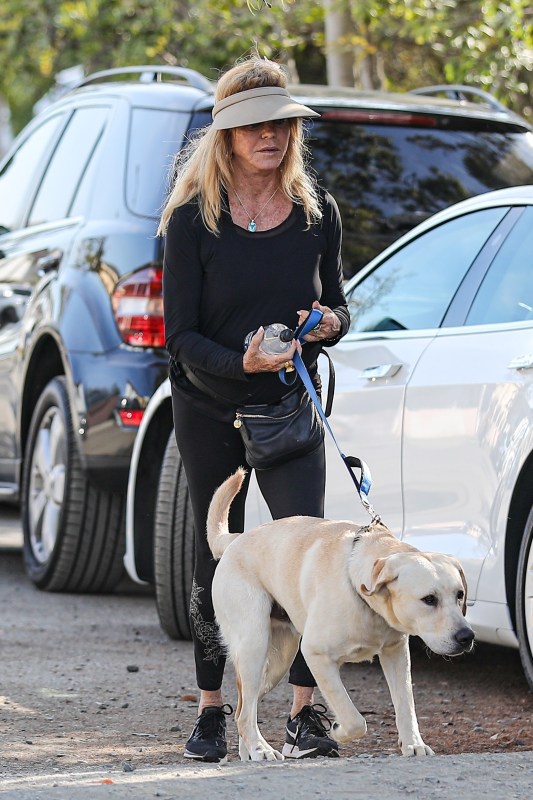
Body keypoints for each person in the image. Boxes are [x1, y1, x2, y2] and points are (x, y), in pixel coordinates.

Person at [159, 54, 350, 763]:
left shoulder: (315, 212)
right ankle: (212, 711)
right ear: (227, 137)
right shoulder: (192, 220)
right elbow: (179, 338)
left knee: (311, 558)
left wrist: (326, 324)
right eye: (252, 126)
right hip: (209, 404)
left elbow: (338, 303)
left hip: (288, 405)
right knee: (216, 554)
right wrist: (237, 361)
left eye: (279, 123)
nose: (268, 135)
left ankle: (306, 714)